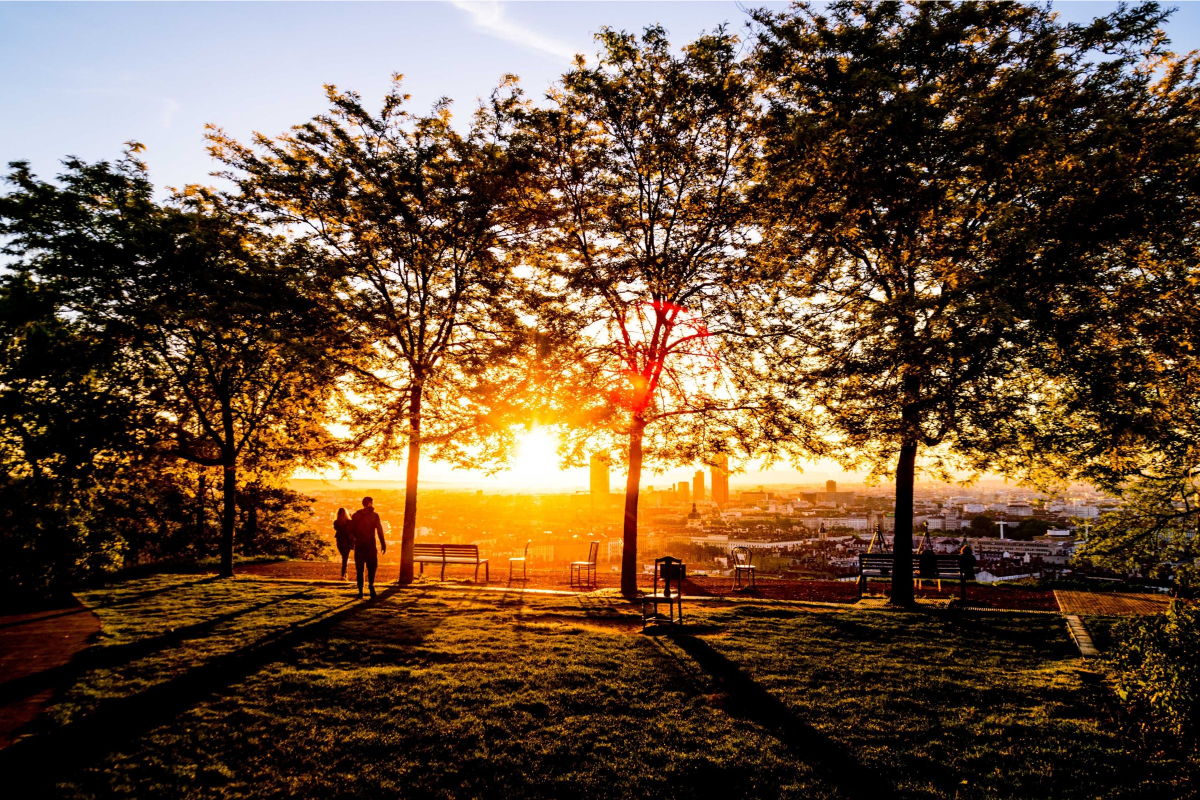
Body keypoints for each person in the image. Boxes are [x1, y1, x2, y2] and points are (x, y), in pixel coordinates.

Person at [350, 496, 386, 599]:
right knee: (372, 567)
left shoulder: (356, 515)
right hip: (370, 544)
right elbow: (379, 531)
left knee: (360, 568)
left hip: (359, 545)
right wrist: (383, 544)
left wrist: (352, 542)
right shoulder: (374, 516)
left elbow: (351, 531)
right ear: (370, 503)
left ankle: (360, 591)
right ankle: (371, 585)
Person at [333, 508, 354, 580]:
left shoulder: (348, 522)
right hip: (341, 541)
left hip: (346, 541)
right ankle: (345, 573)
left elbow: (350, 529)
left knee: (344, 558)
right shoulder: (336, 522)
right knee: (344, 558)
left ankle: (343, 574)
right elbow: (337, 528)